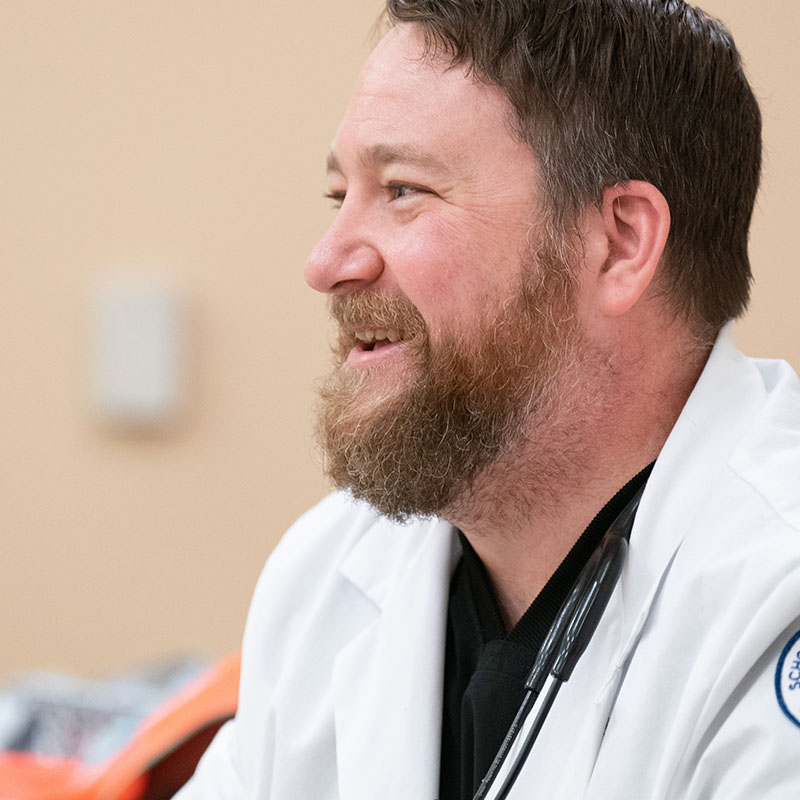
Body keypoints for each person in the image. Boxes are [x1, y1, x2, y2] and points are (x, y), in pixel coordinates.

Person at [177, 1, 800, 798]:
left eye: (403, 190)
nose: (326, 262)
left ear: (620, 243)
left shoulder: (772, 602)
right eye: (342, 197)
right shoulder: (324, 576)